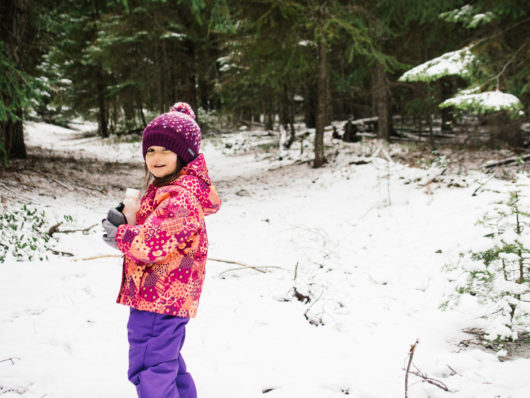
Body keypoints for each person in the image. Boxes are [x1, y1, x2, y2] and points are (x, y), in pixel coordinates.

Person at [102, 102, 221, 398]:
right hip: (162, 297)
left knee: (149, 366)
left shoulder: (180, 197)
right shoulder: (169, 189)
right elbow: (157, 229)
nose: (156, 157)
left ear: (184, 154)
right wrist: (128, 220)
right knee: (165, 363)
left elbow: (151, 244)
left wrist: (120, 236)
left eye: (166, 150)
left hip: (159, 299)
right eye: (151, 150)